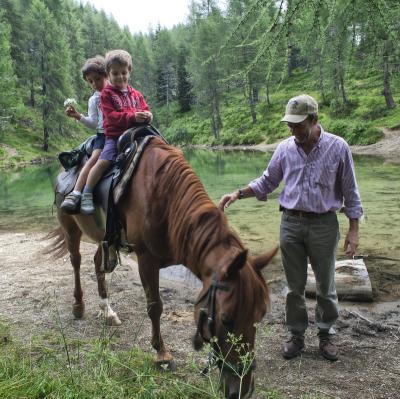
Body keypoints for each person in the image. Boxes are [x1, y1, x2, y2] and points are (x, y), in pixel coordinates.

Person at [218, 94, 363, 362]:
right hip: (291, 223)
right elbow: (267, 181)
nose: (292, 130)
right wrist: (238, 193)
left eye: (298, 125)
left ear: (314, 120)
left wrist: (353, 231)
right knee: (294, 287)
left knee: (326, 284)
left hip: (324, 224)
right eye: (290, 125)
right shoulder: (285, 148)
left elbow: (351, 191)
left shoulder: (338, 147)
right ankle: (296, 335)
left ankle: (325, 333)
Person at [80, 49, 153, 215]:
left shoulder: (136, 94)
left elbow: (146, 109)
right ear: (108, 73)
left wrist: (149, 115)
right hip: (114, 137)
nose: (120, 77)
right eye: (115, 73)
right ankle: (87, 192)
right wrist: (133, 116)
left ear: (130, 71)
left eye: (124, 72)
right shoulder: (106, 94)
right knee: (104, 161)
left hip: (137, 134)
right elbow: (111, 117)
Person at [61, 56, 108, 213]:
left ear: (107, 74)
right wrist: (78, 116)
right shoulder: (94, 100)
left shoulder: (118, 91)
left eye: (97, 79)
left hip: (122, 132)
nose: (94, 84)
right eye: (90, 81)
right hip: (103, 136)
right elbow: (94, 123)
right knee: (95, 159)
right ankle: (76, 193)